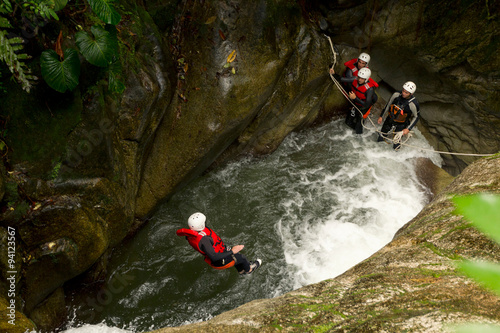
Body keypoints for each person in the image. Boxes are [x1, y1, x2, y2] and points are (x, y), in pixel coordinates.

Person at [176, 212, 262, 275]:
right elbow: (214, 257)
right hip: (219, 262)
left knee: (236, 256)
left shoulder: (191, 234)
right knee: (242, 257)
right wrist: (232, 251)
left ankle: (241, 271)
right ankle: (249, 270)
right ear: (201, 225)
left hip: (218, 253)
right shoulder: (204, 240)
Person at [330, 66, 379, 134]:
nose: (359, 80)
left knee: (358, 128)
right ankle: (354, 129)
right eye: (359, 77)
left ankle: (359, 133)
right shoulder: (355, 79)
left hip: (364, 107)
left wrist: (355, 98)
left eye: (362, 78)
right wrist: (333, 74)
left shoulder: (369, 89)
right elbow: (342, 79)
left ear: (366, 79)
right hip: (356, 103)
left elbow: (367, 104)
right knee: (348, 122)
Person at [377, 81, 420, 150]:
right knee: (381, 136)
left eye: (406, 92)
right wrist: (381, 116)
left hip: (401, 124)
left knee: (396, 143)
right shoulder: (396, 95)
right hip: (390, 119)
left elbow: (416, 117)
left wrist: (408, 129)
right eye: (403, 91)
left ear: (411, 94)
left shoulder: (413, 104)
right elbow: (388, 105)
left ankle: (395, 153)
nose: (403, 93)